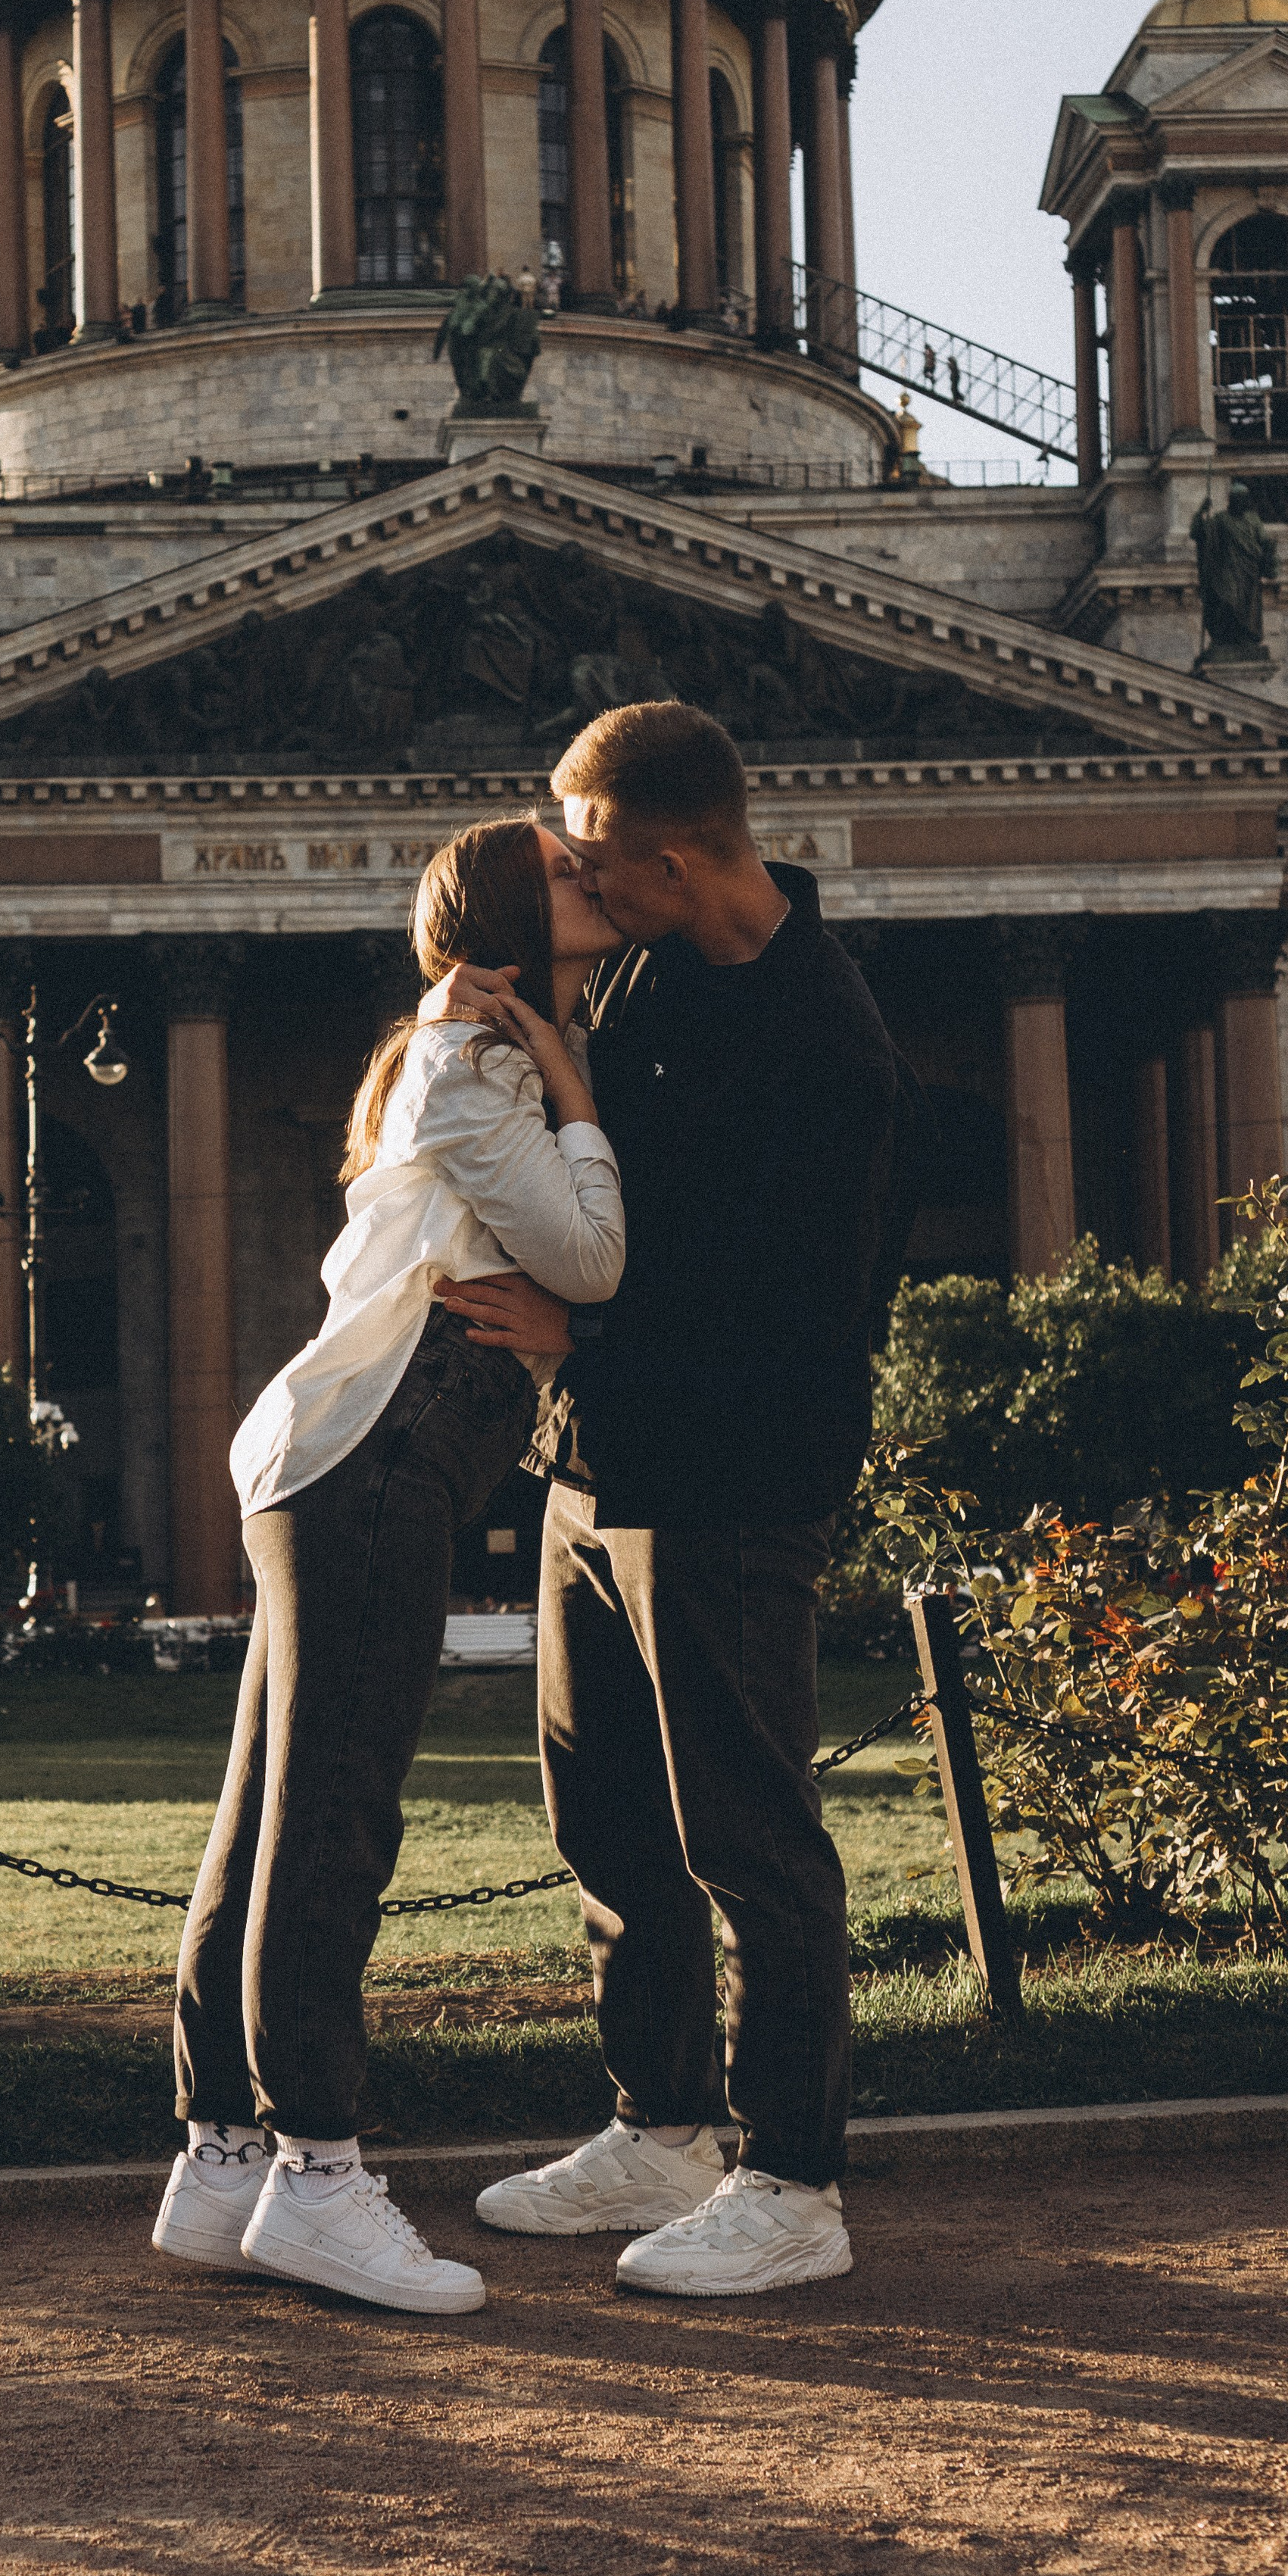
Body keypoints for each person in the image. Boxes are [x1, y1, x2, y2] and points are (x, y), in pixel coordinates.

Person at [430, 700, 906, 2299]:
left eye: (590, 858)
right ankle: (662, 2129)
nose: (574, 880)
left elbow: (805, 1312)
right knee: (611, 1825)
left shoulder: (827, 1043)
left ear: (678, 862)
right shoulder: (642, 970)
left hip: (732, 1481)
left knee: (748, 1839)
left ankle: (793, 2182)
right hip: (595, 1465)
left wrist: (580, 1335)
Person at [154, 817, 626, 2314]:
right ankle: (316, 2174)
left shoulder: (449, 1051)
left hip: (337, 1451)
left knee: (267, 1816)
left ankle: (221, 2158)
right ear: (509, 915)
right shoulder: (478, 1063)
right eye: (563, 867)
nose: (592, 873)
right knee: (333, 1819)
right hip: (378, 1452)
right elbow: (589, 1260)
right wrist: (577, 1097)